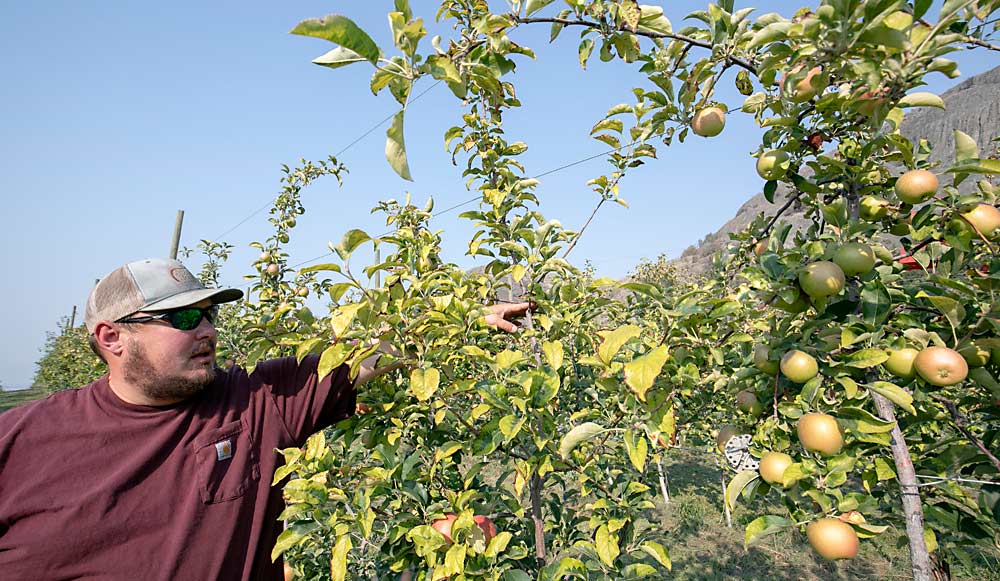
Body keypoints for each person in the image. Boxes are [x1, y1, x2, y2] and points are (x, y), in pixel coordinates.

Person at [0, 258, 531, 580]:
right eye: (184, 317)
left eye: (210, 313)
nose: (207, 329)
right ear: (112, 338)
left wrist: (466, 317)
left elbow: (370, 353)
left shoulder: (254, 401)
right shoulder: (20, 440)